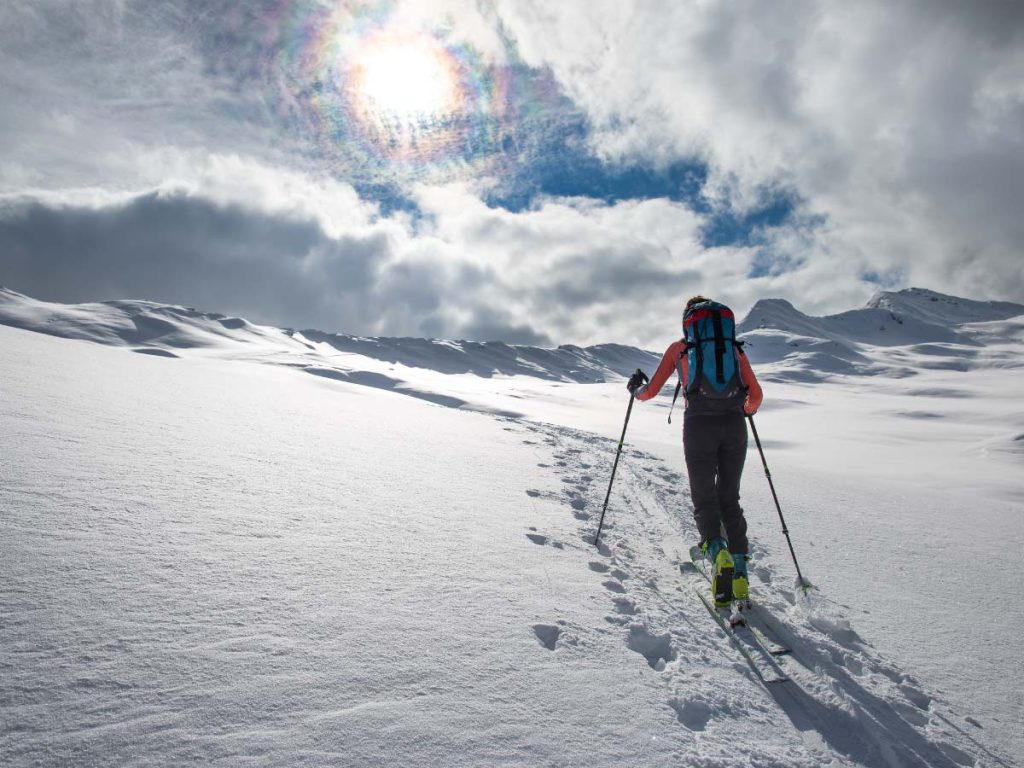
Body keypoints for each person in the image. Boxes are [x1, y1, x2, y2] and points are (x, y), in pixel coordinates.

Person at [626, 296, 763, 607]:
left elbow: (649, 393)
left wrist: (635, 387)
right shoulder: (735, 350)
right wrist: (744, 409)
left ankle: (717, 555)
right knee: (730, 497)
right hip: (734, 425)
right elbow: (756, 396)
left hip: (698, 425)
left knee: (703, 497)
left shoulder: (681, 349)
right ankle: (739, 571)